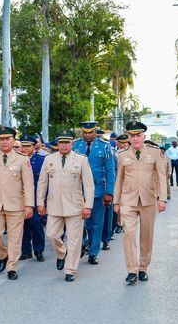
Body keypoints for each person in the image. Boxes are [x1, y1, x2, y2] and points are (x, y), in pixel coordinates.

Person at [37, 129, 94, 282]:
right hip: (54, 204)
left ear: (72, 144)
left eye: (66, 142)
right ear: (57, 144)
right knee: (52, 234)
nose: (63, 145)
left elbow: (89, 185)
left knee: (74, 240)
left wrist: (88, 205)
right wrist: (39, 202)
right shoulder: (49, 159)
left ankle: (70, 270)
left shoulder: (81, 160)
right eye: (61, 142)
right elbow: (42, 182)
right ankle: (62, 253)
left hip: (75, 205)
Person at [113, 121, 167, 285]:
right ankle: (132, 270)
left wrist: (162, 198)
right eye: (132, 135)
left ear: (144, 136)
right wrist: (116, 201)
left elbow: (161, 176)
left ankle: (143, 268)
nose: (135, 138)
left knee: (146, 235)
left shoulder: (155, 153)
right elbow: (119, 180)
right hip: (128, 199)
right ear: (128, 138)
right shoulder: (122, 155)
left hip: (148, 199)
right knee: (129, 234)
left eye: (138, 135)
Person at [0, 127, 34, 281]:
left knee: (15, 239)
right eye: (1, 139)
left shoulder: (22, 159)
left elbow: (28, 184)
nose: (4, 142)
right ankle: (3, 254)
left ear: (14, 140)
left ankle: (12, 267)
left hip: (16, 205)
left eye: (7, 138)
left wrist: (29, 205)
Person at [72, 121, 115, 265]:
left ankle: (93, 252)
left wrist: (109, 192)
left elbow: (110, 171)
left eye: (90, 132)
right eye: (85, 132)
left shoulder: (105, 146)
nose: (88, 135)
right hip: (78, 191)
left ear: (95, 131)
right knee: (80, 222)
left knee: (96, 222)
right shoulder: (75, 145)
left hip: (98, 191)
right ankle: (83, 243)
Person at [19, 134, 46, 261]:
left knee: (36, 224)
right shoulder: (17, 160)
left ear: (34, 147)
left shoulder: (41, 160)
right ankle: (25, 251)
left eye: (27, 146)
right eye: (22, 146)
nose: (24, 149)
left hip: (36, 199)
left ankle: (38, 250)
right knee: (22, 225)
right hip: (20, 199)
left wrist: (44, 199)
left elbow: (44, 181)